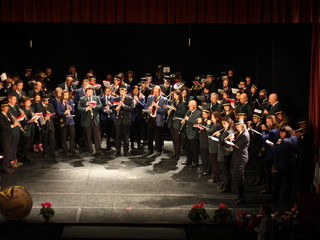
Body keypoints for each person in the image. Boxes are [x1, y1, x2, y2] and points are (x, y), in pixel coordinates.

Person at [271, 125, 296, 203]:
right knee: (289, 183)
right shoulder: (294, 138)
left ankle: (276, 199)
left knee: (279, 183)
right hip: (291, 163)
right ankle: (286, 198)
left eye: (282, 132)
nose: (280, 134)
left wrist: (276, 145)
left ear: (287, 132)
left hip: (283, 164)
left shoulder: (284, 141)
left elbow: (278, 150)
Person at [77, 86, 103, 156]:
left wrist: (95, 107)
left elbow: (101, 107)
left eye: (91, 92)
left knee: (97, 135)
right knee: (88, 135)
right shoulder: (82, 99)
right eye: (88, 92)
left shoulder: (96, 98)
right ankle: (90, 149)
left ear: (93, 92)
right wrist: (86, 109)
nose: (89, 93)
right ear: (85, 92)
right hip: (86, 119)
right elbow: (79, 109)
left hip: (95, 119)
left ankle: (98, 150)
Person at [230, 119, 250, 205]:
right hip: (238, 157)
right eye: (236, 126)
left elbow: (237, 146)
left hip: (241, 157)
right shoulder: (242, 133)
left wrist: (231, 140)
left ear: (242, 125)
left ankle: (241, 198)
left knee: (237, 177)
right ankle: (239, 196)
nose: (237, 127)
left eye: (238, 126)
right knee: (238, 177)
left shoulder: (244, 135)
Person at [144, 85, 168, 156]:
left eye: (157, 92)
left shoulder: (164, 99)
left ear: (160, 92)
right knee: (150, 135)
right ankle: (150, 150)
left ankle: (158, 150)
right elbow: (146, 106)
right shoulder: (150, 97)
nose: (155, 94)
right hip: (151, 118)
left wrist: (157, 107)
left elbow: (164, 111)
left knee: (158, 136)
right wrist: (148, 107)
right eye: (154, 92)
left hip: (159, 119)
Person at [260, 115, 279, 194]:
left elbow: (264, 138)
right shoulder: (274, 129)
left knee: (267, 171)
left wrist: (263, 131)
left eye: (268, 122)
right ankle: (268, 187)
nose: (267, 124)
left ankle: (269, 188)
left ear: (273, 122)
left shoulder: (273, 131)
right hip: (272, 152)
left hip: (270, 153)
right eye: (266, 122)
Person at [215, 116, 234, 193]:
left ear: (229, 123)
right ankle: (224, 184)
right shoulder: (227, 130)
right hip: (224, 153)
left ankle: (226, 187)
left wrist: (218, 135)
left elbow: (221, 141)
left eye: (225, 123)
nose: (223, 125)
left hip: (225, 154)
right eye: (222, 123)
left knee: (225, 171)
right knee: (224, 171)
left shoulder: (228, 131)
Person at [113, 86, 134, 156]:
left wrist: (124, 105)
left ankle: (126, 151)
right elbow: (113, 109)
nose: (122, 92)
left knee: (126, 136)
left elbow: (131, 108)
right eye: (121, 91)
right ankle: (117, 150)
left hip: (126, 120)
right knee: (117, 136)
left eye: (123, 91)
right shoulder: (116, 99)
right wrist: (116, 108)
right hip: (118, 120)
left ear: (126, 91)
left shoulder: (130, 99)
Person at [0, 99, 20, 173]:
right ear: (2, 108)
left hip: (9, 136)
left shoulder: (7, 114)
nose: (7, 108)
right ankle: (4, 167)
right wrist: (12, 125)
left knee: (9, 152)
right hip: (4, 137)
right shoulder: (1, 116)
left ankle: (7, 165)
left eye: (8, 107)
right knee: (5, 152)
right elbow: (3, 127)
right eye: (6, 107)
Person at [167, 90, 187, 160]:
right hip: (172, 123)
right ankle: (175, 152)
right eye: (174, 95)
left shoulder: (183, 103)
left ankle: (178, 154)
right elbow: (172, 112)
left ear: (179, 95)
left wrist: (175, 109)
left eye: (176, 95)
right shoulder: (173, 102)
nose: (175, 97)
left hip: (178, 123)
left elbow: (183, 113)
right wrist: (169, 111)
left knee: (177, 139)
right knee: (173, 139)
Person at [181, 100, 202, 168]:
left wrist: (188, 119)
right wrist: (184, 120)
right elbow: (186, 118)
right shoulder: (188, 111)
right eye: (189, 105)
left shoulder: (198, 113)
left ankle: (195, 162)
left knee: (194, 149)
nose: (189, 107)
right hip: (187, 132)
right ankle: (188, 160)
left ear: (195, 106)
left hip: (193, 133)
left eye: (190, 106)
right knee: (188, 148)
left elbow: (196, 123)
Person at [56, 90, 77, 156]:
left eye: (67, 95)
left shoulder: (70, 101)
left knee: (72, 135)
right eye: (65, 95)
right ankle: (65, 150)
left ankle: (71, 149)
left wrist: (71, 109)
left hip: (70, 120)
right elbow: (58, 112)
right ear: (62, 96)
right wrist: (64, 113)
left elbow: (73, 111)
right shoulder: (59, 103)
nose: (66, 97)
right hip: (63, 120)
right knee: (64, 136)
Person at [207, 111, 222, 182]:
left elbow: (209, 132)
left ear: (217, 118)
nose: (212, 119)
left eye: (213, 118)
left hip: (214, 147)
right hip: (213, 145)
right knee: (214, 163)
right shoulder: (216, 124)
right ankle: (215, 177)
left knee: (214, 163)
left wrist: (208, 125)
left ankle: (215, 178)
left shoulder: (216, 125)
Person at [130, 85, 145, 150]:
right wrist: (133, 102)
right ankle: (132, 144)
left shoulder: (142, 97)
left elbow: (143, 106)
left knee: (139, 131)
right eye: (134, 91)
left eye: (136, 91)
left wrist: (138, 101)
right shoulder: (130, 97)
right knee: (132, 131)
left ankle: (139, 144)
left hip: (139, 116)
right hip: (132, 116)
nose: (135, 92)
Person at [20, 97, 35, 162]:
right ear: (24, 103)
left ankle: (28, 154)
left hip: (32, 127)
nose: (29, 104)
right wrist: (28, 121)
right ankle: (26, 155)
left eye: (29, 103)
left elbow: (33, 117)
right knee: (26, 143)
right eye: (27, 103)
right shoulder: (22, 110)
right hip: (26, 127)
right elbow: (22, 120)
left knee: (30, 142)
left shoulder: (32, 108)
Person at [100, 87, 115, 151]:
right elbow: (99, 107)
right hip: (103, 117)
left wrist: (111, 106)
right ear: (104, 92)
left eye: (109, 91)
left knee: (109, 132)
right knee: (101, 132)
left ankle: (108, 145)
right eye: (107, 91)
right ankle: (99, 146)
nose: (108, 93)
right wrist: (104, 108)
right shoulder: (101, 98)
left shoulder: (114, 98)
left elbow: (116, 107)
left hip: (111, 117)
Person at [197, 109, 211, 175]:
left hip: (206, 140)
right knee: (202, 155)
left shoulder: (209, 121)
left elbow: (208, 130)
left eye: (205, 114)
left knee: (206, 156)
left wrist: (204, 127)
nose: (203, 116)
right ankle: (203, 168)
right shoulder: (202, 120)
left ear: (208, 114)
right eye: (203, 114)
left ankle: (207, 170)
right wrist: (199, 124)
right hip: (202, 139)